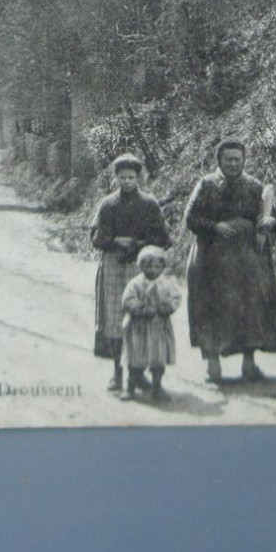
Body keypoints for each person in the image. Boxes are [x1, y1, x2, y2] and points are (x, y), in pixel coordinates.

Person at [184, 138, 276, 383]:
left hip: (246, 260)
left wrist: (271, 222)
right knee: (211, 308)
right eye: (228, 159)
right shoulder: (206, 185)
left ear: (244, 161)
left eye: (237, 159)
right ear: (219, 161)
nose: (233, 163)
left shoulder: (253, 185)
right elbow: (191, 218)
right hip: (211, 259)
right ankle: (213, 364)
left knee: (250, 308)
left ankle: (249, 364)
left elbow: (272, 215)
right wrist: (214, 226)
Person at [90, 153, 172, 393]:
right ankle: (117, 373)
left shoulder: (149, 204)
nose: (126, 182)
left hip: (141, 266)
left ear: (139, 178)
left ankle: (139, 374)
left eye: (131, 177)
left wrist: (138, 245)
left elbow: (163, 237)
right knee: (115, 319)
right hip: (114, 266)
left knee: (142, 318)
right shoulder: (107, 204)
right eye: (122, 177)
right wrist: (114, 242)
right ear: (116, 178)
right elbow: (96, 237)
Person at [119, 245, 180, 402]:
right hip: (138, 327)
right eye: (149, 266)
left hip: (159, 326)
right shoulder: (136, 283)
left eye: (158, 266)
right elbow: (127, 300)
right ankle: (130, 388)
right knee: (135, 358)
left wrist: (167, 307)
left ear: (162, 267)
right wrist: (141, 308)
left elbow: (176, 297)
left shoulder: (166, 283)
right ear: (142, 266)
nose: (154, 270)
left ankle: (157, 387)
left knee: (158, 358)